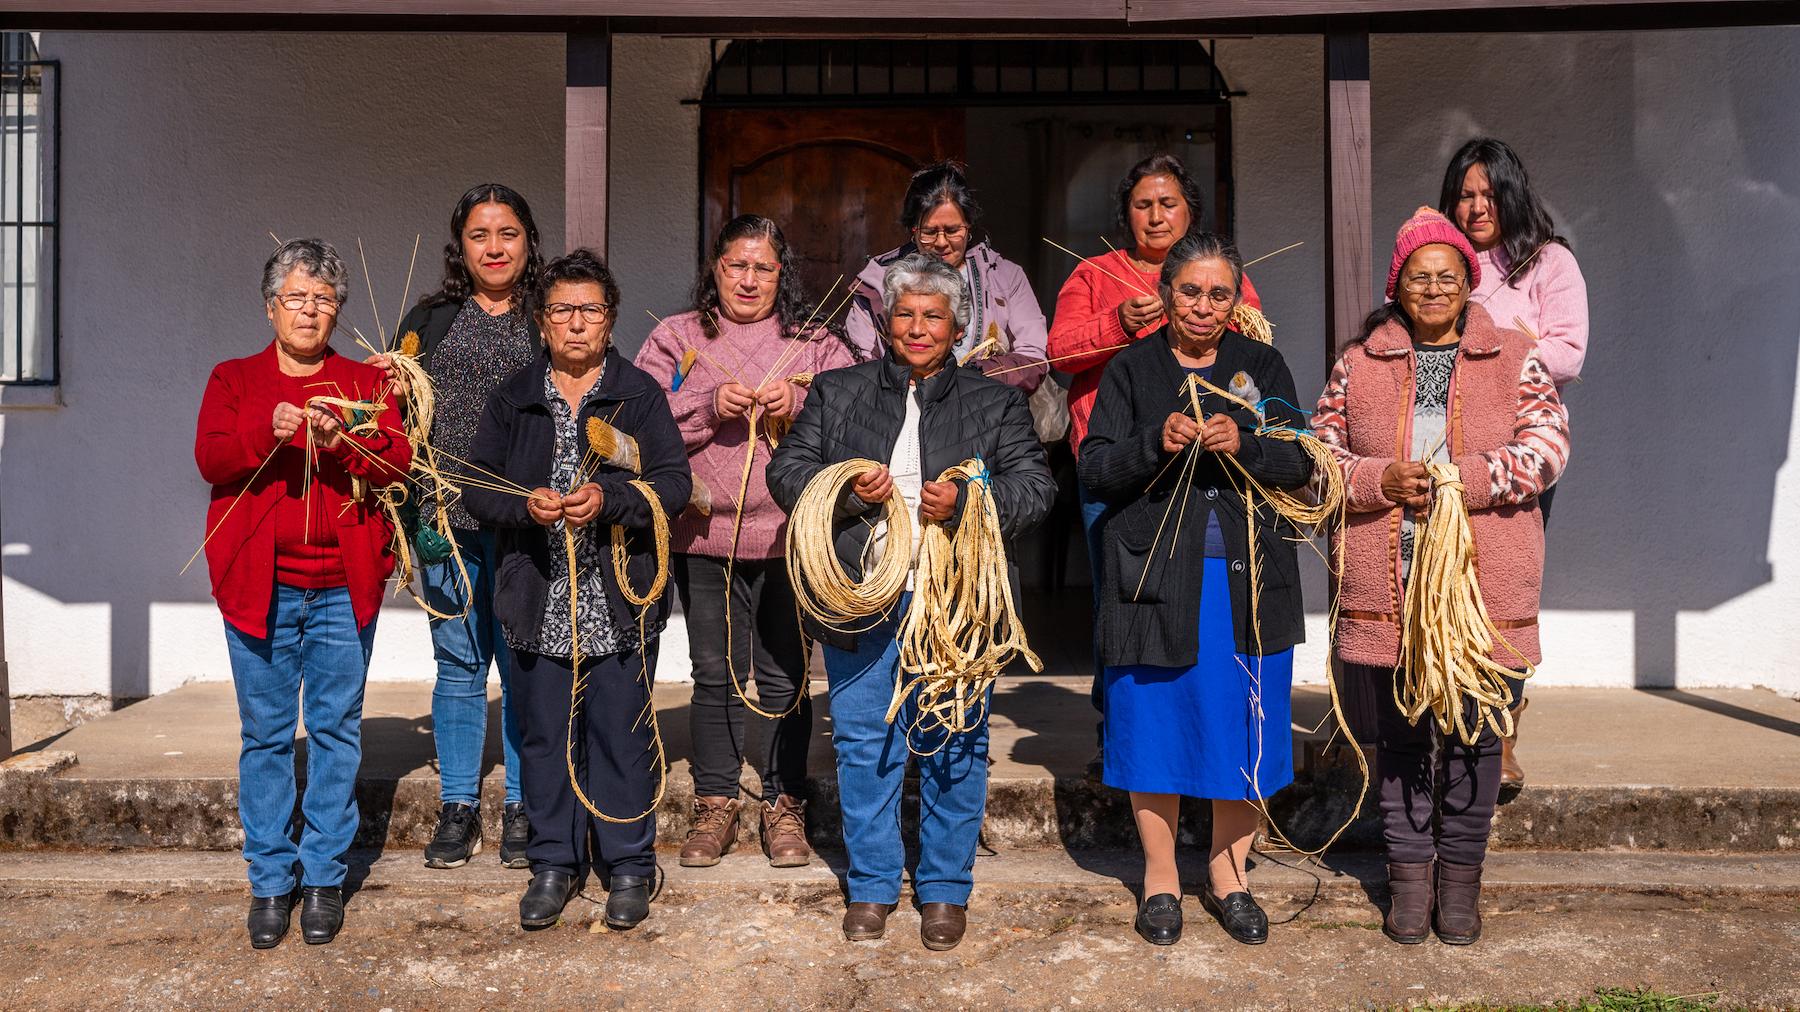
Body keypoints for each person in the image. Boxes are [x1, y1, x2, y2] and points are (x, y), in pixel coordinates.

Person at [767, 254, 1055, 951]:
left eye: (934, 314)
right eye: (906, 313)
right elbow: (786, 471)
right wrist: (841, 486)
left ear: (959, 324)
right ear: (886, 321)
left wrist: (967, 502)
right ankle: (871, 883)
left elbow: (1036, 488)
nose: (919, 326)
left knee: (955, 740)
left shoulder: (994, 402)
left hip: (956, 601)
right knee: (866, 743)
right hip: (864, 594)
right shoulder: (837, 392)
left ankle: (944, 889)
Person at [1312, 208, 1569, 947]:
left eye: (1447, 277)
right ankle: (1409, 879)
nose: (1433, 289)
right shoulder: (1360, 362)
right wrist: (1375, 479)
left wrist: (1468, 480)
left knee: (1477, 734)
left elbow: (1549, 445)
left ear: (1468, 283)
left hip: (1481, 585)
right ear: (1398, 286)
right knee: (1399, 737)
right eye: (1419, 277)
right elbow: (1318, 454)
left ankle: (1460, 884)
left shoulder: (1514, 354)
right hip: (1391, 580)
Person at [1077, 233, 1311, 947]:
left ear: (1236, 300)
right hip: (1153, 577)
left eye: (1218, 294)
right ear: (1166, 293)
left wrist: (1247, 445)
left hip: (1247, 581)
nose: (1204, 307)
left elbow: (1301, 458)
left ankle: (1230, 876)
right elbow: (1094, 468)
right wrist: (1156, 441)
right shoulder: (1130, 369)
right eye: (1190, 292)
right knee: (1156, 726)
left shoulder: (1260, 364)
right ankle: (1159, 880)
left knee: (1243, 728)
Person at [461, 250, 692, 932]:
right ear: (541, 321)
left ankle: (627, 863)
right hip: (538, 592)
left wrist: (611, 498)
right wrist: (522, 505)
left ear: (609, 320)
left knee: (620, 734)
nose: (575, 323)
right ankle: (554, 863)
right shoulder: (515, 396)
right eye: (562, 309)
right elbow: (477, 483)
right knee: (542, 738)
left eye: (589, 309)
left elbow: (674, 484)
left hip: (617, 597)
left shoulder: (639, 394)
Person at [195, 238, 412, 948]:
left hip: (342, 588)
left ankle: (322, 876)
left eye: (323, 299)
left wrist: (344, 438)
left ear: (338, 311)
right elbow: (213, 458)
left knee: (335, 733)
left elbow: (397, 460)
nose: (310, 310)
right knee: (263, 737)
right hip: (258, 587)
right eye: (297, 297)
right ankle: (270, 882)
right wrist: (270, 428)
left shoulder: (362, 382)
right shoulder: (234, 378)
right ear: (271, 308)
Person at [633, 214, 855, 868]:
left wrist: (800, 406)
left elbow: (854, 419)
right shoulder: (677, 339)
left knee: (785, 676)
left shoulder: (814, 343)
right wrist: (706, 408)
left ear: (782, 273)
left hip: (791, 537)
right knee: (714, 674)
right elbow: (639, 422)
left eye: (763, 267)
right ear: (715, 268)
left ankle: (784, 805)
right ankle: (716, 804)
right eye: (736, 265)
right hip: (705, 535)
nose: (749, 279)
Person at [1046, 154, 1266, 768]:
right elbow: (1058, 354)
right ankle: (1118, 733)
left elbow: (1256, 349)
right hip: (1118, 468)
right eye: (1143, 204)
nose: (1156, 215)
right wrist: (1116, 321)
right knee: (1118, 603)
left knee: (1202, 604)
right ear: (1126, 215)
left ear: (1190, 210)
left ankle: (1195, 735)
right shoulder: (1097, 273)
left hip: (1212, 471)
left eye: (1168, 203)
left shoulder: (1219, 273)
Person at [369, 183, 546, 870]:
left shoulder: (546, 317)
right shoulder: (431, 318)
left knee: (526, 663)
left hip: (527, 522)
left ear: (528, 241)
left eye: (507, 233)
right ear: (460, 245)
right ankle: (460, 806)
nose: (494, 247)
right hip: (445, 522)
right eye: (480, 234)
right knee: (459, 663)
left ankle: (528, 806)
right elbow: (390, 410)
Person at [1439, 138, 1588, 789]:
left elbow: (1569, 354)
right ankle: (1452, 721)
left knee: (1506, 592)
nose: (1476, 206)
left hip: (1523, 455)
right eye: (1464, 195)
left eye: (1487, 192)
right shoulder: (1445, 265)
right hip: (1448, 454)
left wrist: (1497, 347)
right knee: (1445, 585)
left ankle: (1501, 738)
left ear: (1512, 192)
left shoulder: (1548, 263)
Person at [845, 161, 1049, 392]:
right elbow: (857, 361)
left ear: (969, 226)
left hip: (981, 408)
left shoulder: (1004, 277)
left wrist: (974, 378)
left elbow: (1032, 357)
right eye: (929, 232)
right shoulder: (877, 283)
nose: (941, 243)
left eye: (952, 231)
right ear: (913, 229)